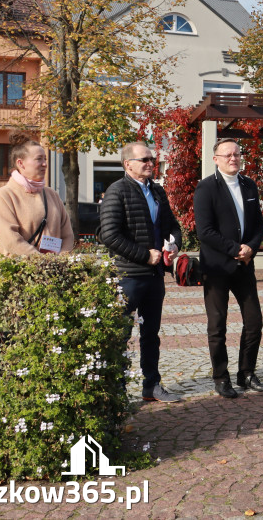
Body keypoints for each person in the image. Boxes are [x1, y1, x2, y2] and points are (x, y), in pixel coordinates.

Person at [99, 141, 182, 403]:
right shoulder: (117, 191)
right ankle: (117, 390)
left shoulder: (157, 191)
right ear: (128, 165)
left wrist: (175, 244)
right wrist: (144, 255)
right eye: (144, 159)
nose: (150, 163)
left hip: (154, 277)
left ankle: (152, 385)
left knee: (150, 335)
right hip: (128, 276)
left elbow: (173, 226)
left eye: (152, 159)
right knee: (121, 334)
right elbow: (110, 235)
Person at [193, 139, 263, 399]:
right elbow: (204, 232)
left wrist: (251, 248)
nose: (233, 158)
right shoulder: (206, 188)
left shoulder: (249, 185)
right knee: (218, 326)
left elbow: (258, 224)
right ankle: (221, 377)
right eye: (227, 155)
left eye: (237, 153)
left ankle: (246, 373)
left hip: (245, 265)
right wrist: (236, 249)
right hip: (216, 267)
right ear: (216, 159)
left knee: (255, 322)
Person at [0, 138, 74, 256]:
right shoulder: (4, 195)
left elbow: (67, 235)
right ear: (21, 163)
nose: (44, 164)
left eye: (45, 159)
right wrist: (40, 261)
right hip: (20, 271)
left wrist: (61, 260)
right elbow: (10, 239)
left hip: (54, 271)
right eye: (39, 159)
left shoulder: (52, 194)